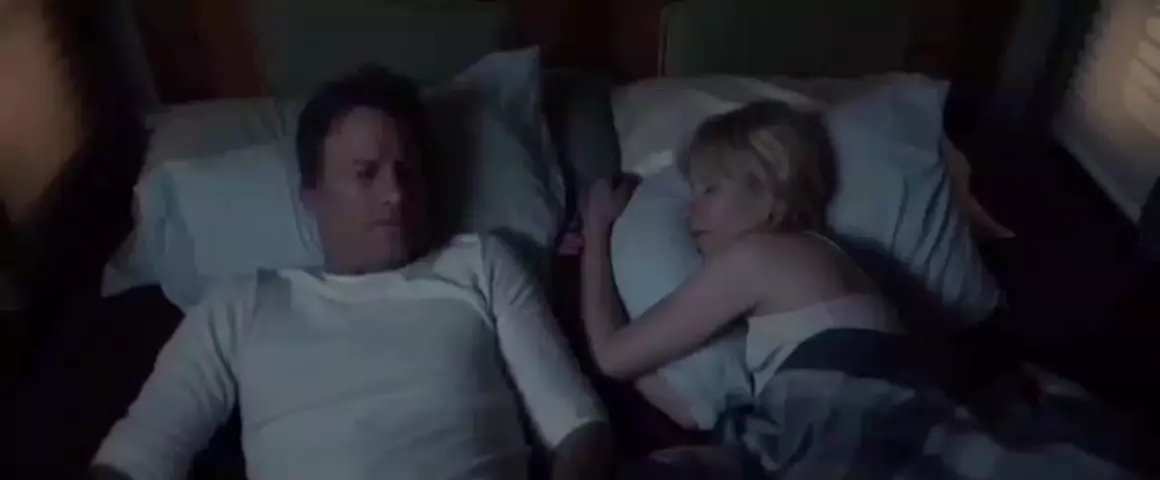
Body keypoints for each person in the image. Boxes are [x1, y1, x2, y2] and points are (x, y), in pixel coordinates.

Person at [90, 65, 610, 480]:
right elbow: (134, 460)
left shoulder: (481, 264)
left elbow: (581, 429)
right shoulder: (239, 305)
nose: (395, 194)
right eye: (366, 173)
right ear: (313, 196)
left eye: (407, 172)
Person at [583, 101, 1144, 479]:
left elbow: (612, 356)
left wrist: (596, 230)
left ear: (767, 186)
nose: (691, 213)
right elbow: (683, 401)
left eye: (709, 189)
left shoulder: (758, 257)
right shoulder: (831, 257)